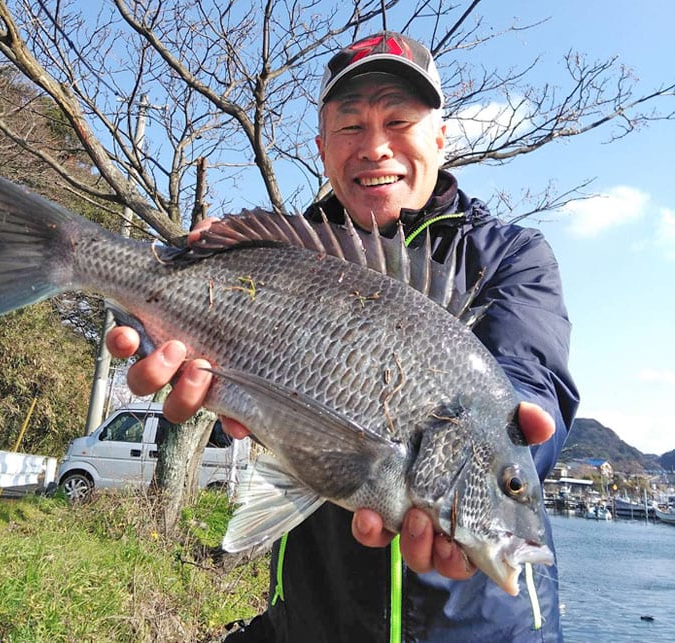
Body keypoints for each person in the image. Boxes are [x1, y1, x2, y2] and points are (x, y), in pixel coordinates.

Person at [107, 32, 579, 642]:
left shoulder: (511, 256)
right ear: (322, 147)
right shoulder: (278, 249)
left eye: (399, 120)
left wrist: (516, 450)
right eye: (350, 126)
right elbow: (251, 411)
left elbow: (532, 387)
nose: (375, 146)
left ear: (440, 137)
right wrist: (172, 327)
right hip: (310, 619)